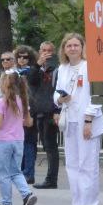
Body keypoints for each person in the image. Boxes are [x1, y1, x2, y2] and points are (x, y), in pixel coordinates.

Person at [55, 32, 100, 205]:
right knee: (72, 166)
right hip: (70, 121)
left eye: (76, 45)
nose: (72, 48)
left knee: (87, 166)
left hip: (87, 122)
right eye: (69, 46)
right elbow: (56, 94)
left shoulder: (89, 67)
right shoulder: (63, 68)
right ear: (64, 50)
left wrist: (89, 120)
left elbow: (96, 96)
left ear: (82, 48)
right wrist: (60, 99)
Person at [0, 66, 35, 205]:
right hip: (19, 140)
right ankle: (27, 194)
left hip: (3, 141)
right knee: (16, 171)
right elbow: (29, 123)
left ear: (3, 84)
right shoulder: (23, 101)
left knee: (3, 174)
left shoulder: (1, 102)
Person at [30, 40, 58, 189]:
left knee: (51, 145)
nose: (46, 53)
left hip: (51, 111)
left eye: (49, 50)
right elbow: (31, 81)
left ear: (53, 53)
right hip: (39, 110)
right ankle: (50, 178)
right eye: (44, 50)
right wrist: (37, 65)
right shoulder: (37, 68)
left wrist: (56, 111)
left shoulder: (57, 69)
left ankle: (51, 179)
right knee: (46, 145)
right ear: (39, 52)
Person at [12, 45, 36, 184]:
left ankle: (28, 173)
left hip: (29, 109)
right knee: (18, 142)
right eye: (19, 56)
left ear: (30, 58)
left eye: (25, 57)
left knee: (29, 142)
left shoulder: (32, 72)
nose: (22, 59)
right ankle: (19, 172)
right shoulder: (14, 72)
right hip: (16, 110)